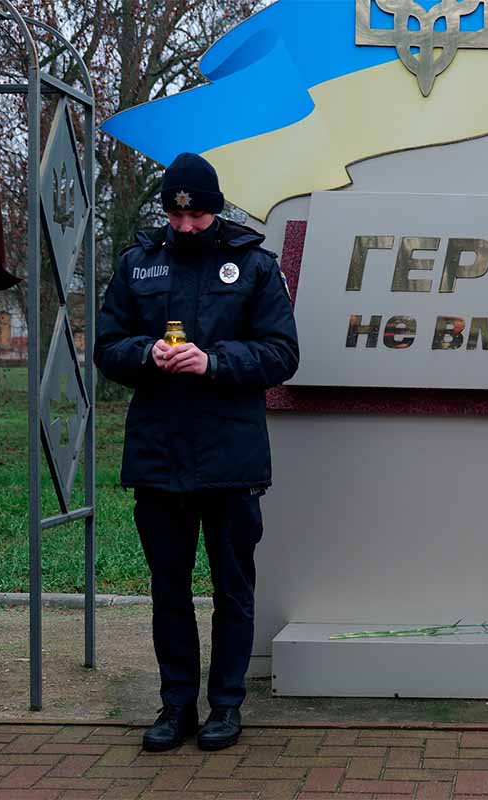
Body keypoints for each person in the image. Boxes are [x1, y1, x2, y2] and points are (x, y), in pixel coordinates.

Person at [94, 153, 299, 752]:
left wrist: (213, 361)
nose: (185, 226)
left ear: (216, 208)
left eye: (197, 215)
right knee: (169, 588)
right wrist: (144, 353)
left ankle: (226, 706)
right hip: (158, 455)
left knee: (232, 588)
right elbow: (106, 346)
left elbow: (282, 353)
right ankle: (176, 705)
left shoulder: (254, 265)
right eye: (175, 215)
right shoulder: (137, 264)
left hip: (230, 457)